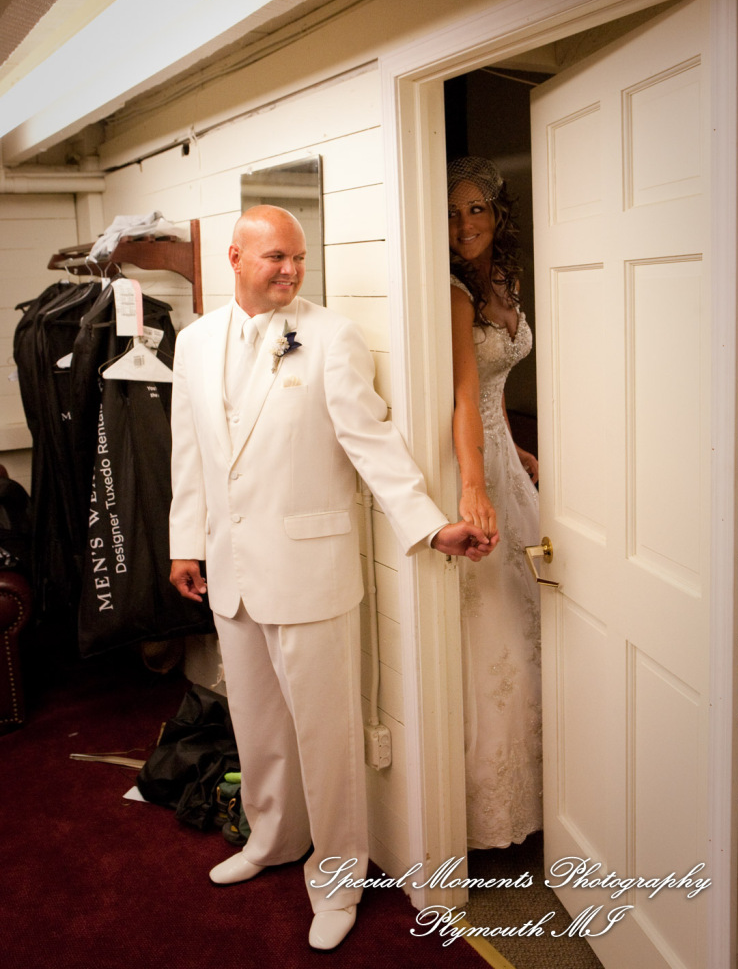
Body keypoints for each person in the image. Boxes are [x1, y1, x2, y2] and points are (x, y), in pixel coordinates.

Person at [169, 205, 497, 950]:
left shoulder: (328, 338)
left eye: (299, 259)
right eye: (275, 258)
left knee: (326, 738)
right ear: (234, 259)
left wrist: (429, 524)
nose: (290, 270)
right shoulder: (192, 344)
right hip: (232, 572)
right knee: (254, 724)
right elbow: (189, 452)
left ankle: (339, 877)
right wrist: (185, 543)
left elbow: (369, 441)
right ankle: (270, 839)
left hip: (310, 572)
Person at [448, 156, 542, 849]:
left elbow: (493, 388)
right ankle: (488, 818)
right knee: (494, 628)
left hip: (502, 455)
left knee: (539, 608)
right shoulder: (450, 293)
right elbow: (460, 397)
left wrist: (514, 449)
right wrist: (475, 481)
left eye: (475, 209)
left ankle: (555, 798)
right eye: (451, 213)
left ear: (497, 215)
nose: (463, 224)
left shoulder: (505, 282)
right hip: (467, 461)